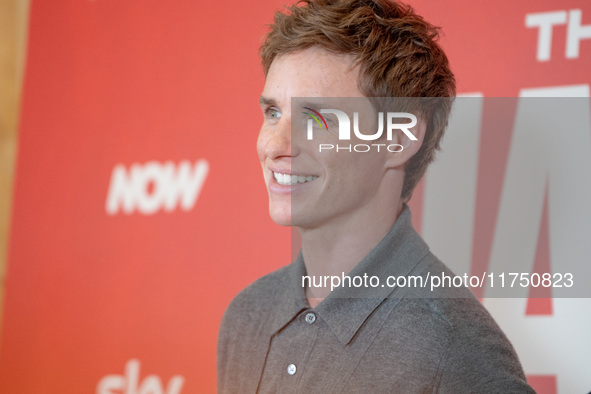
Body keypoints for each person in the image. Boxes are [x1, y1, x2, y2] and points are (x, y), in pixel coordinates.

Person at [218, 0, 535, 392]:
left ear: (399, 139)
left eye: (318, 117)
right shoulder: (246, 316)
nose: (276, 145)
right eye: (272, 113)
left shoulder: (457, 350)